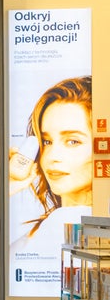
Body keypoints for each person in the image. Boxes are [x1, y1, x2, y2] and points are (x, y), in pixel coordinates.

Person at [11, 76, 92, 253]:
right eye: (46, 142)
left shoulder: (60, 226)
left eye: (73, 141)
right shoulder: (45, 230)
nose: (52, 157)